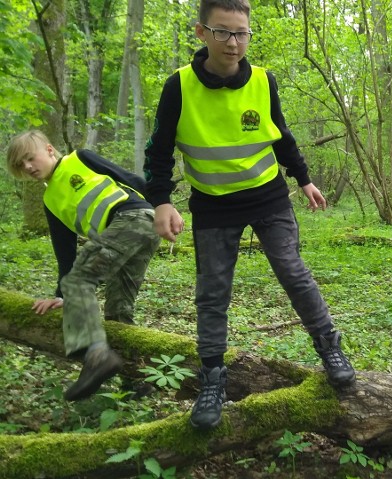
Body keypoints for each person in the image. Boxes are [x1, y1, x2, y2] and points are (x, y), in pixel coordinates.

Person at [144, 0, 355, 430]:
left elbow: (282, 135)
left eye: (241, 33)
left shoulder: (263, 81)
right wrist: (161, 201)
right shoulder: (179, 86)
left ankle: (329, 346)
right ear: (202, 33)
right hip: (212, 203)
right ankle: (212, 378)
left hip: (268, 197)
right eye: (223, 32)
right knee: (213, 291)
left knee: (292, 271)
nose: (234, 42)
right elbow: (159, 151)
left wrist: (304, 178)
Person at [5, 130, 161, 401]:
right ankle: (134, 383)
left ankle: (97, 358)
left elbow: (133, 180)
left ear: (50, 150)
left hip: (134, 217)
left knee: (80, 281)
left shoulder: (81, 158)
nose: (28, 167)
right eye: (21, 165)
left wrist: (164, 208)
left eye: (30, 158)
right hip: (129, 233)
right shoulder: (50, 202)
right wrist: (60, 295)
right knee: (119, 311)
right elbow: (65, 255)